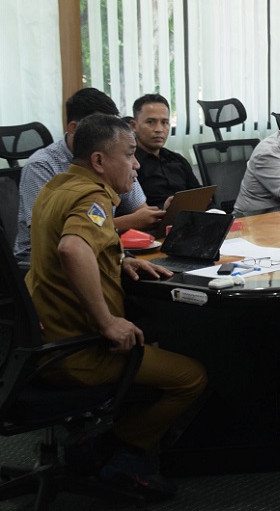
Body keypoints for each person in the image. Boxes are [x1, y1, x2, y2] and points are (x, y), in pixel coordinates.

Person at [25, 114, 207, 499]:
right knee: (191, 377)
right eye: (129, 154)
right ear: (98, 161)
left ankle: (97, 448)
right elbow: (71, 248)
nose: (137, 164)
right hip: (79, 349)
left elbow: (70, 242)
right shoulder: (93, 195)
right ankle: (123, 455)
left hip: (39, 342)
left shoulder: (57, 186)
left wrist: (117, 258)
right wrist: (107, 322)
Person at [14, 87, 165, 262]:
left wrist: (163, 214)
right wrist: (130, 222)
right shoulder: (41, 165)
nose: (108, 133)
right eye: (99, 125)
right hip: (40, 261)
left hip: (98, 249)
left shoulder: (114, 159)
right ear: (74, 128)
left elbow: (141, 212)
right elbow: (53, 236)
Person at [130, 93, 201, 209]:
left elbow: (200, 195)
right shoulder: (129, 164)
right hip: (150, 224)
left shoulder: (177, 160)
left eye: (164, 122)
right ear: (134, 126)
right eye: (150, 122)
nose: (159, 129)